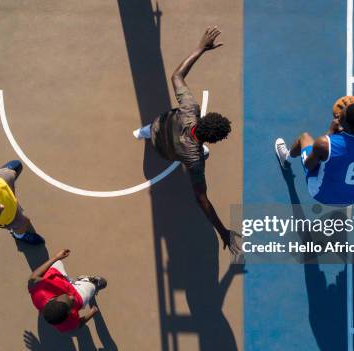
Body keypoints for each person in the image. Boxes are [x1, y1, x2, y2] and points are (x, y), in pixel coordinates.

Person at [132, 26, 241, 255]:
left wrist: (201, 48)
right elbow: (202, 199)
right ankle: (145, 134)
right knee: (194, 154)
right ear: (214, 140)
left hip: (157, 128)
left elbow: (177, 76)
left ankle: (141, 133)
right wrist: (223, 232)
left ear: (205, 118)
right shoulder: (195, 160)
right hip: (166, 151)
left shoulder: (190, 109)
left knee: (149, 129)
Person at [274, 96, 354, 206]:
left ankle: (286, 158)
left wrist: (330, 133)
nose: (338, 116)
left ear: (345, 124)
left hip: (321, 194)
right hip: (353, 197)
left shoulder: (324, 144)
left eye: (340, 117)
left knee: (304, 137)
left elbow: (309, 165)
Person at [28, 248, 107, 332]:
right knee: (99, 284)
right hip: (79, 294)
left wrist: (56, 257)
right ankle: (90, 282)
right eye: (71, 303)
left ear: (53, 299)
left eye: (67, 297)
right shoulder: (68, 323)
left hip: (58, 278)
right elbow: (79, 324)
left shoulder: (39, 292)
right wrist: (92, 313)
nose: (72, 297)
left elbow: (33, 277)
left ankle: (78, 281)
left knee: (57, 263)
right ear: (69, 314)